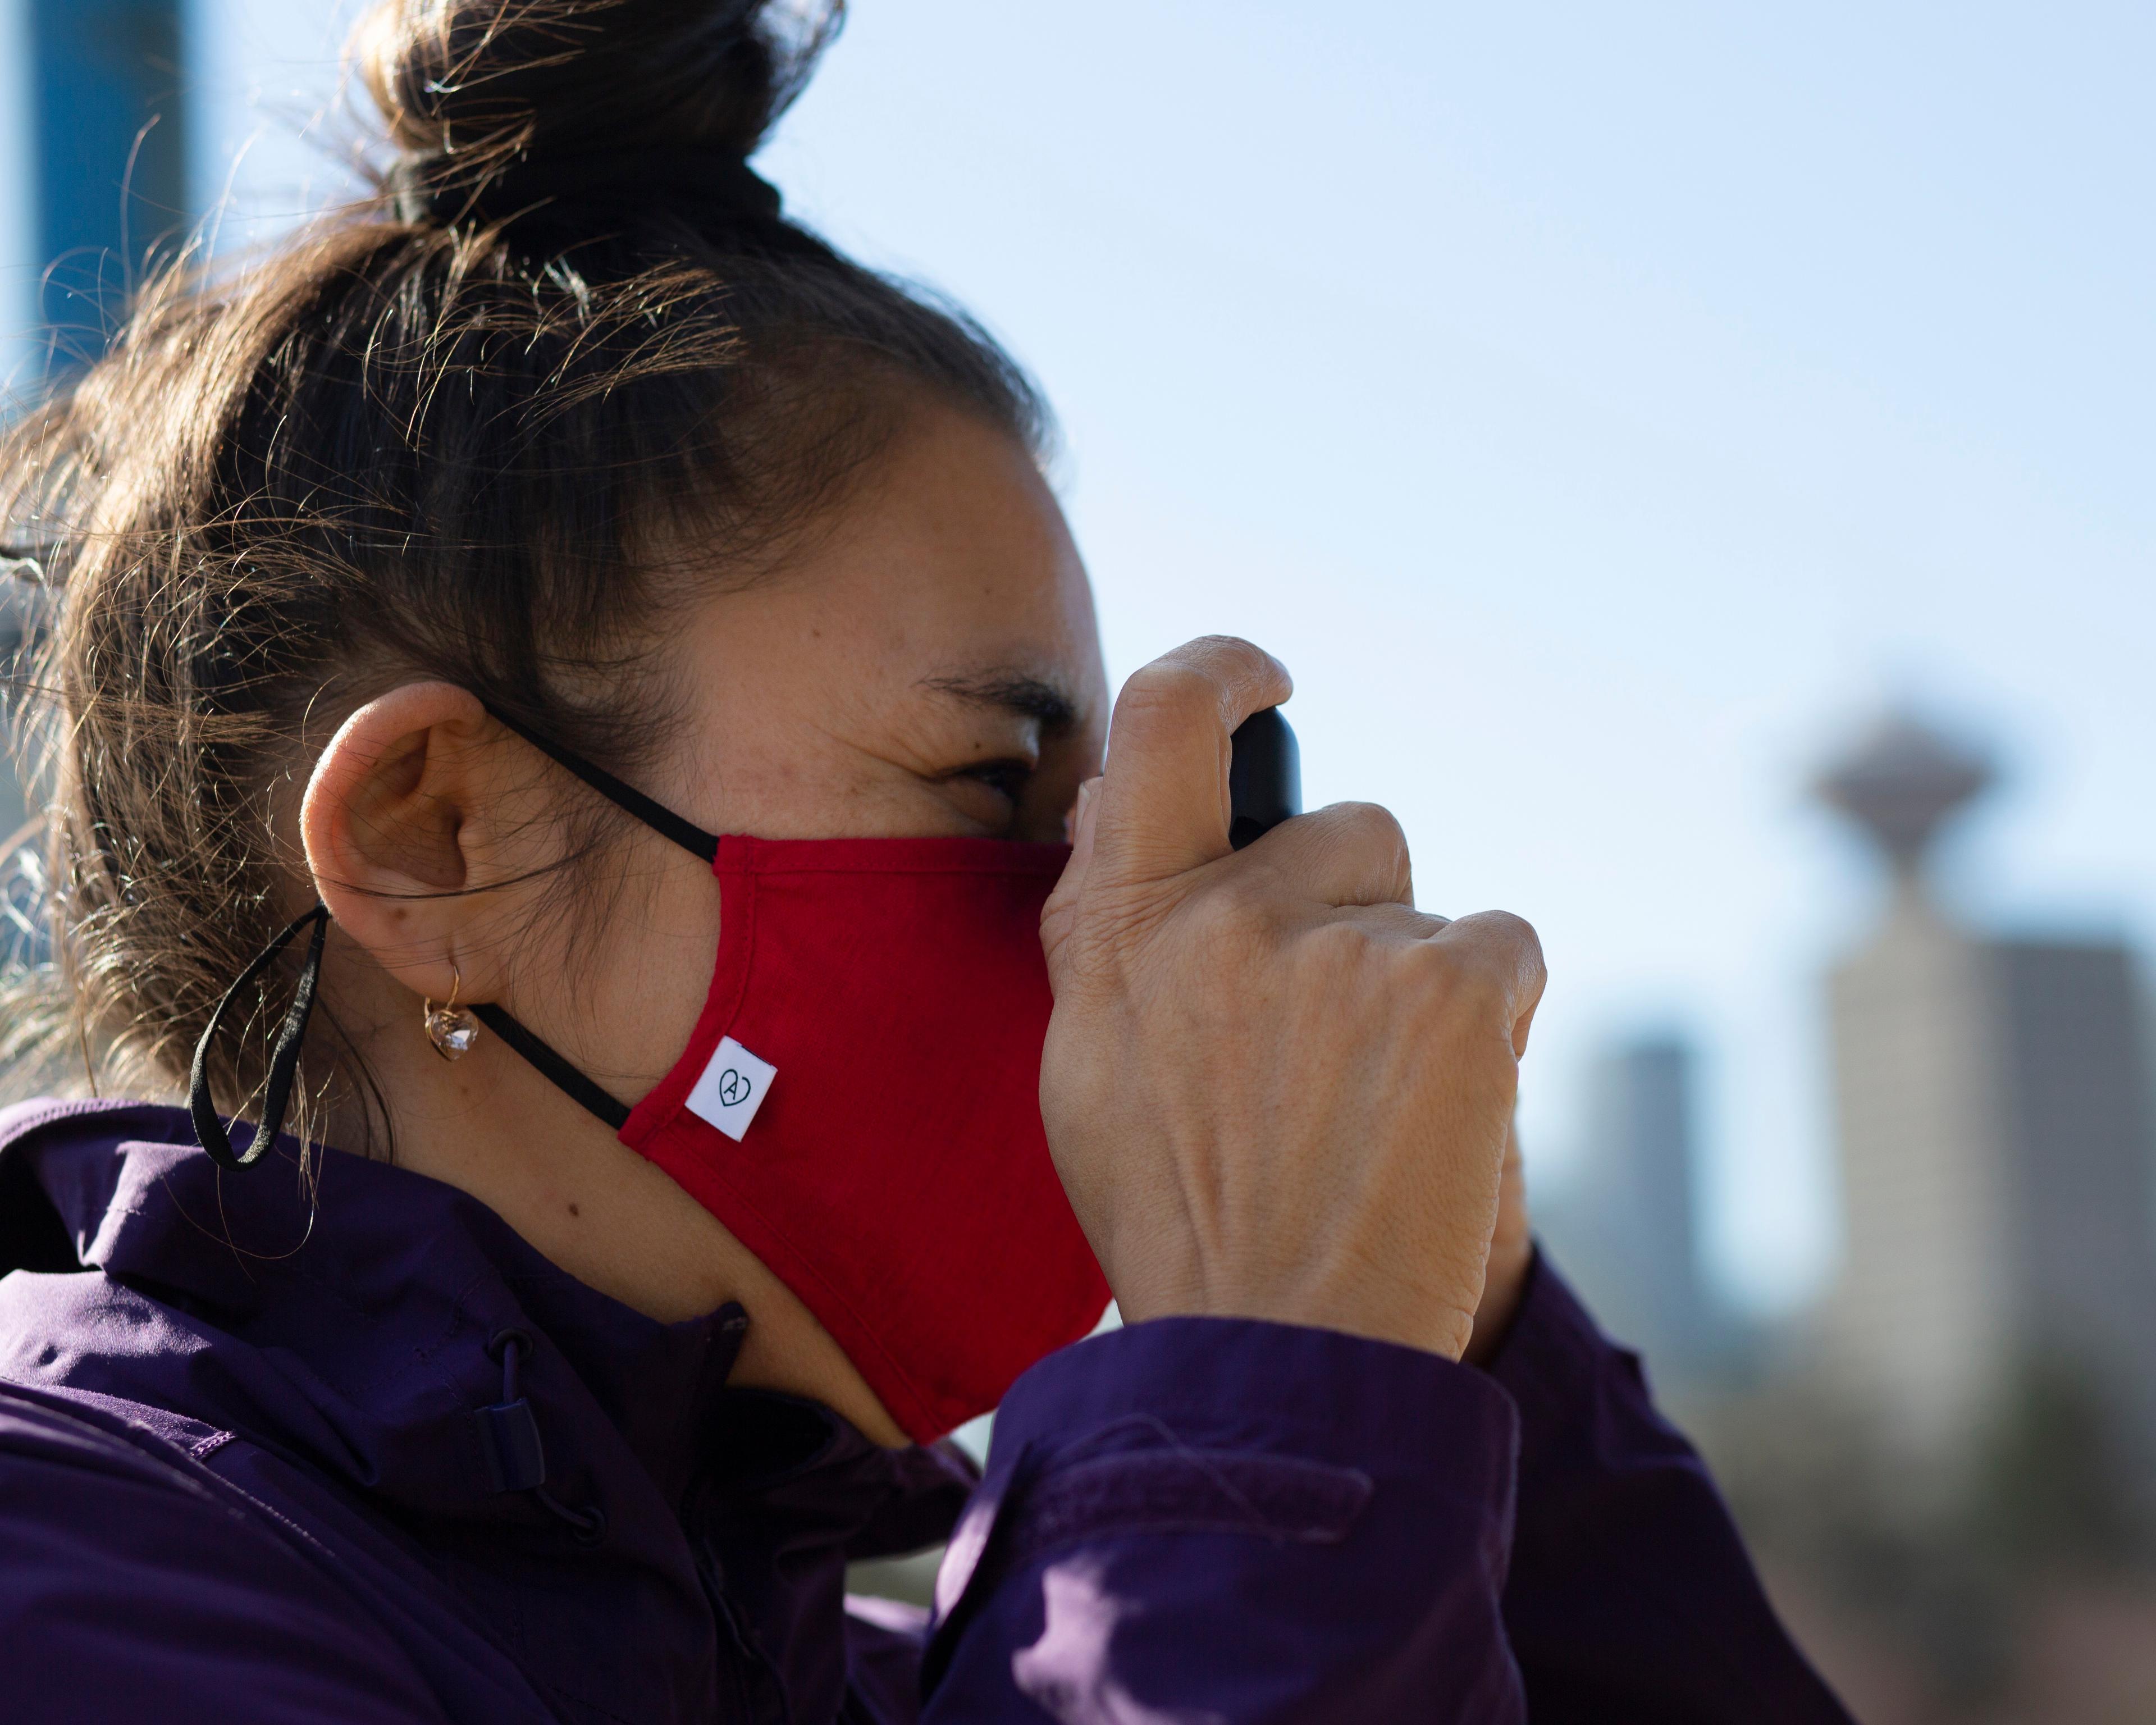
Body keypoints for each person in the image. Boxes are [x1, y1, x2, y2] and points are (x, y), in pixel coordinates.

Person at [0, 3, 1852, 1720]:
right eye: (993, 783)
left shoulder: (921, 1670)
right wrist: (1258, 1411)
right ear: (440, 841)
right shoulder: (73, 1573)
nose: (1122, 920)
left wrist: (1454, 1353)